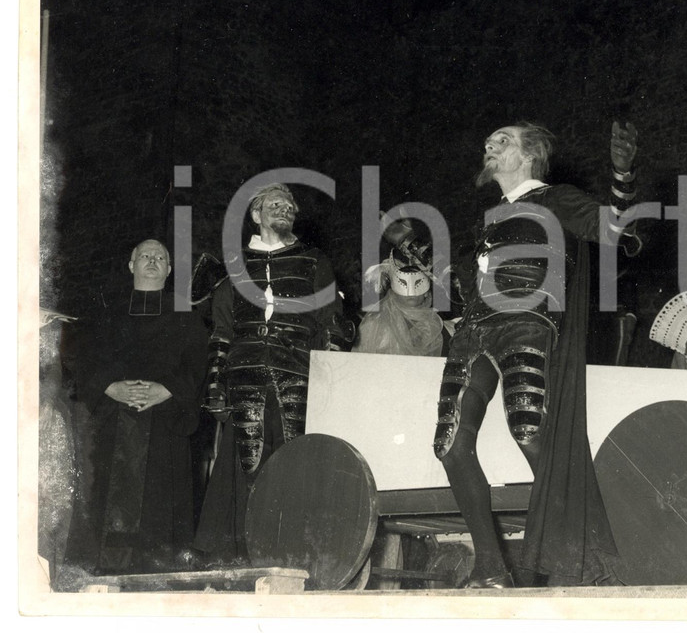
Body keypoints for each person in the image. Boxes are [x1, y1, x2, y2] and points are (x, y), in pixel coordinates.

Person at [390, 121, 641, 588]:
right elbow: (464, 281)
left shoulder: (557, 198)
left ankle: (577, 556)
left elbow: (612, 230)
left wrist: (622, 178)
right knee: (449, 443)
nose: (489, 145)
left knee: (529, 432)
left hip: (528, 320)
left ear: (530, 155)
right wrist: (423, 254)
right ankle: (491, 566)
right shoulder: (492, 216)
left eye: (502, 141)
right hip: (475, 328)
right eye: (488, 141)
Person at [194, 183, 354, 563]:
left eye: (289, 206)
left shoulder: (315, 261)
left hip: (297, 375)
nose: (284, 209)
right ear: (256, 214)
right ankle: (242, 557)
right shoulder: (234, 266)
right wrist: (217, 383)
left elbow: (333, 325)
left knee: (295, 462)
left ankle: (291, 554)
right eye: (274, 204)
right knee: (242, 466)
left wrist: (328, 380)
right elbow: (222, 330)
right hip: (244, 375)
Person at [63, 239, 208, 575]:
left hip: (165, 427)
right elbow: (84, 360)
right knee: (109, 506)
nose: (152, 261)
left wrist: (167, 390)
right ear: (131, 265)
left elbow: (198, 366)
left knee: (161, 515)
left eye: (160, 257)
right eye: (145, 256)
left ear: (169, 269)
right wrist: (111, 388)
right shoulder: (106, 312)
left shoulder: (187, 314)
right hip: (114, 425)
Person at [355, 248, 455, 357]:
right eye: (402, 283)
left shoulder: (439, 328)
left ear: (427, 292)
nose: (410, 292)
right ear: (393, 290)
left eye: (418, 283)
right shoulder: (374, 325)